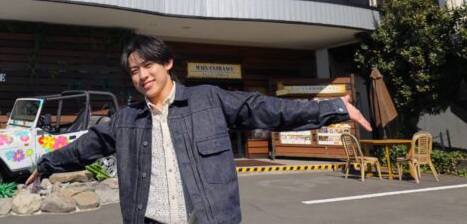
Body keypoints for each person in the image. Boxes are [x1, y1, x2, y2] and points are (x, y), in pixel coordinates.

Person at [26, 35, 371, 223]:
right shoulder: (127, 120)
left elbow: (268, 109)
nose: (143, 75)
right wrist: (46, 164)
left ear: (167, 64)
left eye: (148, 65)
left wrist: (334, 108)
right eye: (134, 71)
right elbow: (87, 145)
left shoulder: (209, 100)